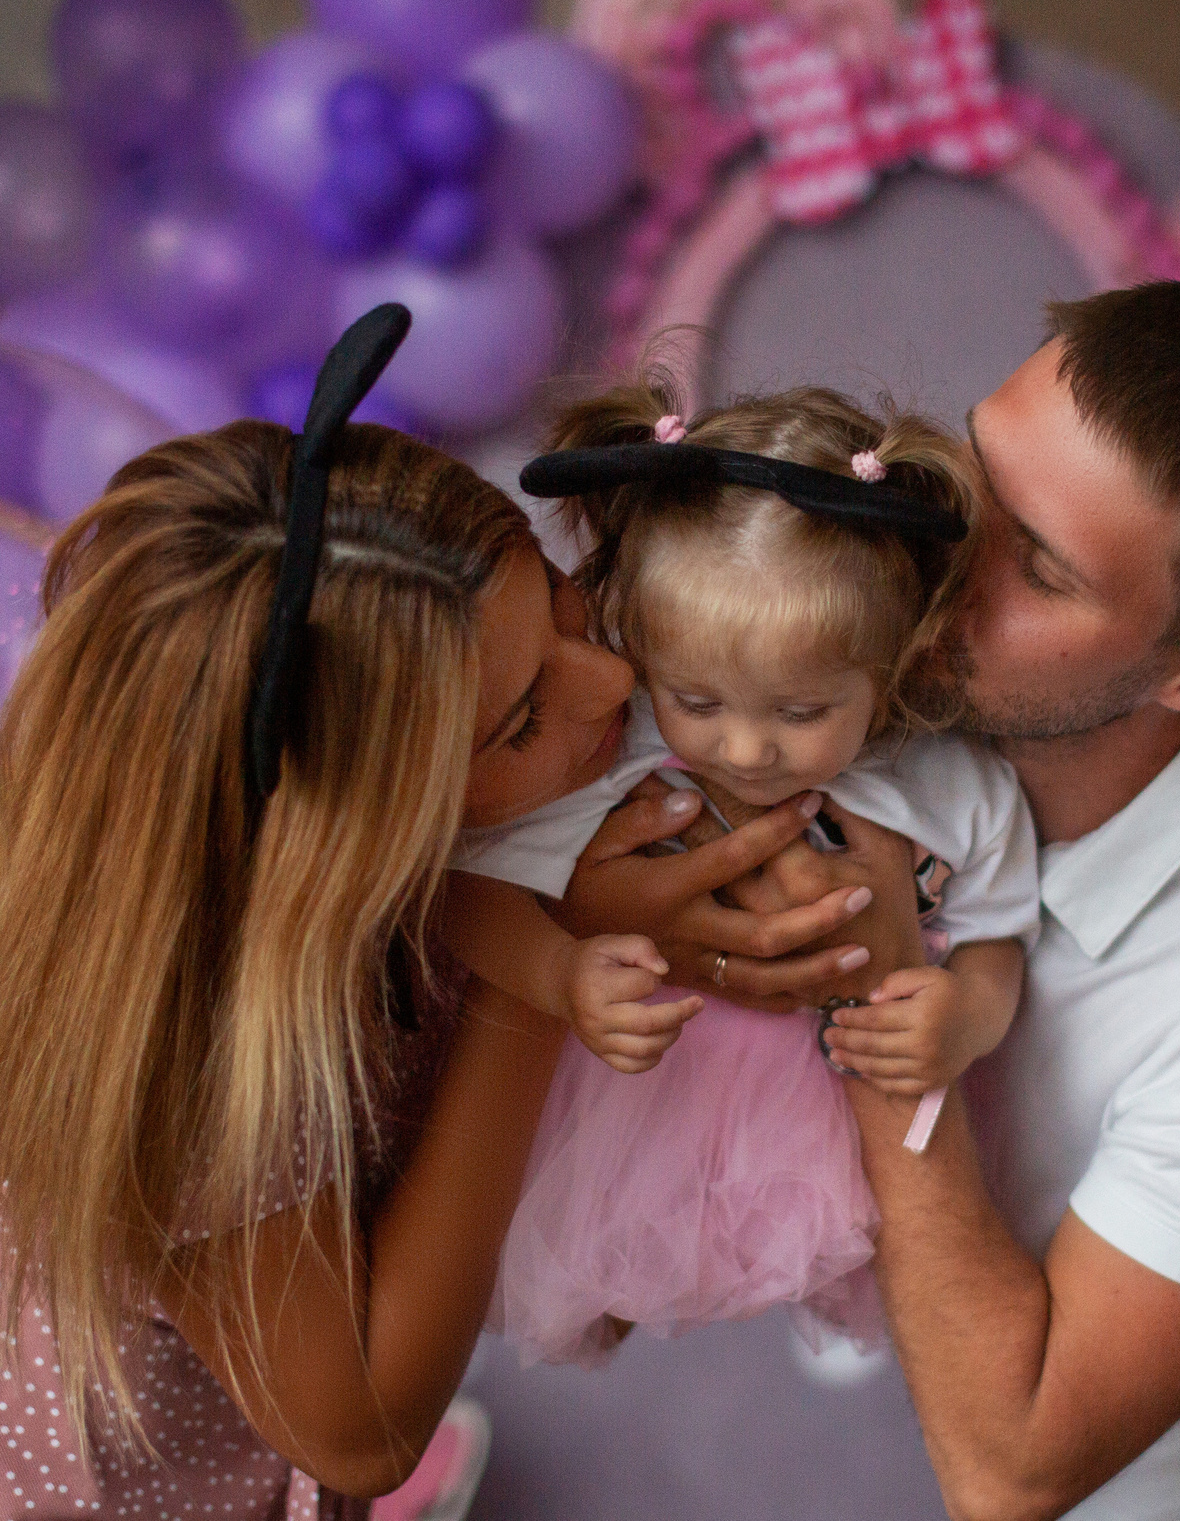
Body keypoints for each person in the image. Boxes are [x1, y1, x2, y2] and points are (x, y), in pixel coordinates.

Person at [553, 124, 1180, 1521]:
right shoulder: (916, 683)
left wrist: (882, 986)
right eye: (977, 467)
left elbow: (1015, 1454)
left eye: (1034, 561)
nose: (934, 549)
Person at [0, 316, 661, 1518]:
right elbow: (359, 1426)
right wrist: (535, 976)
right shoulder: (185, 1040)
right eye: (518, 722)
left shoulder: (227, 866)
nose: (608, 678)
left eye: (561, 604)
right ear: (350, 824)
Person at [444, 382, 1038, 1367]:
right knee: (617, 1261)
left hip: (832, 1114)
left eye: (802, 713)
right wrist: (561, 976)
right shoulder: (624, 759)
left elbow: (999, 934)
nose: (748, 747)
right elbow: (470, 896)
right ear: (642, 642)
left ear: (891, 664)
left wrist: (966, 1017)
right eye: (697, 699)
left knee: (845, 1266)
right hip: (647, 1098)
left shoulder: (948, 787)